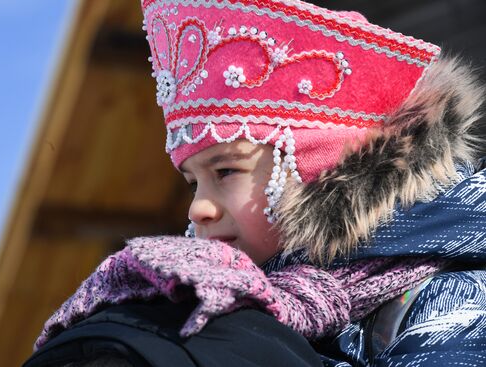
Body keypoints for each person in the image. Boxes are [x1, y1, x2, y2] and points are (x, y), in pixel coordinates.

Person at [26, 0, 486, 366]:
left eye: (225, 171)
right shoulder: (245, 308)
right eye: (192, 183)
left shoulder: (452, 298)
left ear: (316, 173)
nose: (198, 209)